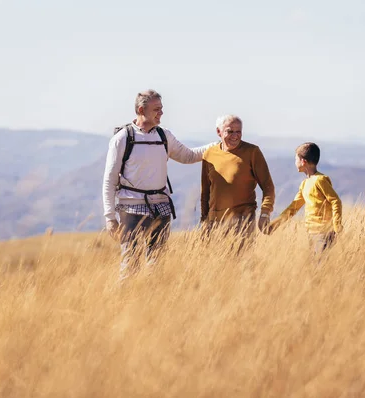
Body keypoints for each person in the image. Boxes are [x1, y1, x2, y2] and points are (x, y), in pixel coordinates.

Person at [102, 89, 215, 273]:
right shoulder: (122, 139)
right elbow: (109, 180)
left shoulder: (164, 136)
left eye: (161, 108)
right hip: (131, 209)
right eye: (156, 109)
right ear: (141, 110)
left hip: (161, 208)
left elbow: (188, 156)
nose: (161, 113)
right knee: (130, 265)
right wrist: (110, 218)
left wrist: (217, 146)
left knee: (156, 264)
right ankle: (124, 300)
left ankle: (152, 298)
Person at [200, 115, 275, 246]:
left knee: (240, 264)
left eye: (238, 131)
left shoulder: (252, 152)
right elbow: (205, 191)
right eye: (230, 131)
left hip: (243, 221)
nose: (235, 136)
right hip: (215, 222)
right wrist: (204, 220)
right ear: (219, 132)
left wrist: (265, 213)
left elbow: (268, 187)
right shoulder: (209, 154)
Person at [269, 142, 343, 254]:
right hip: (312, 233)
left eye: (296, 159)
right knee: (314, 266)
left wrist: (337, 226)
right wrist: (274, 224)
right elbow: (293, 207)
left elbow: (335, 200)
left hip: (324, 233)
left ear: (303, 161)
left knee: (320, 265)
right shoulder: (304, 184)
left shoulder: (320, 180)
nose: (295, 162)